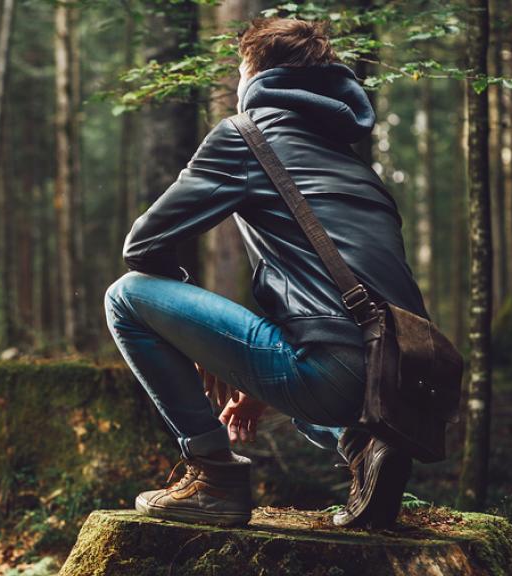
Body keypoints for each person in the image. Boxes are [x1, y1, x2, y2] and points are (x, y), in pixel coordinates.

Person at [103, 17, 426, 528]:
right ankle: (363, 445)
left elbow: (142, 245)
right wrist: (251, 383)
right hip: (401, 383)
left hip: (338, 374)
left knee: (125, 297)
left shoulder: (247, 136)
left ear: (253, 73)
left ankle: (214, 478)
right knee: (320, 375)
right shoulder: (352, 163)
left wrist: (190, 337)